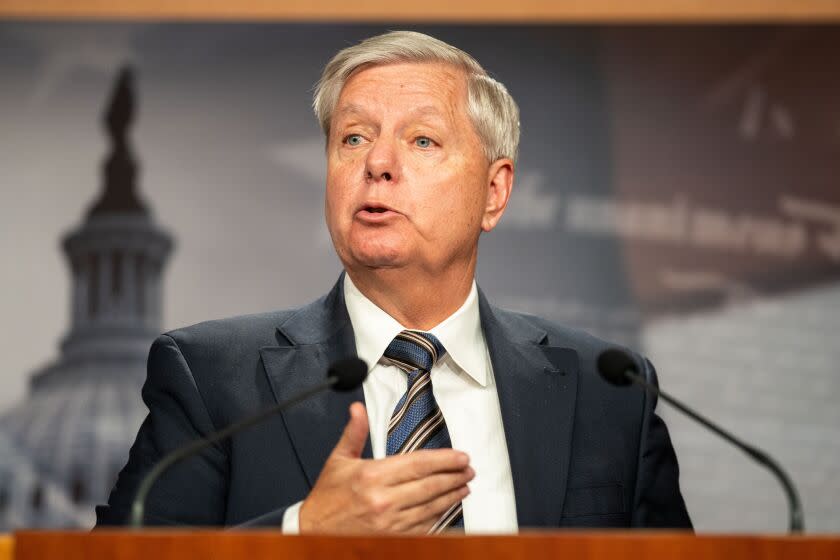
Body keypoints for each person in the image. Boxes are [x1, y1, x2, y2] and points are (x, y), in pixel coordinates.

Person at [96, 30, 691, 533]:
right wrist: (300, 533)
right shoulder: (213, 379)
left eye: (422, 140)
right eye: (353, 138)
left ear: (495, 192)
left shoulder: (608, 391)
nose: (377, 163)